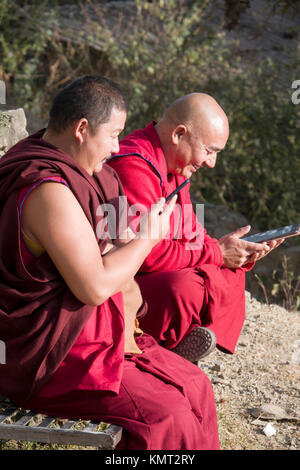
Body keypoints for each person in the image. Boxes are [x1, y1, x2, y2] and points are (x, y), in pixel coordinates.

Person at [0, 77, 220, 450]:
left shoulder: (82, 168)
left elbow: (114, 244)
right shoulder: (47, 190)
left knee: (197, 387)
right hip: (52, 354)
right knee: (168, 417)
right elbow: (95, 287)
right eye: (114, 134)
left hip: (92, 332)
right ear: (82, 130)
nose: (119, 146)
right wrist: (149, 235)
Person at [108, 93, 283, 362]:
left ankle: (182, 337)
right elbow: (144, 254)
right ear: (179, 134)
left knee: (228, 273)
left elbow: (192, 237)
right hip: (120, 282)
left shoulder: (175, 168)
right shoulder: (133, 165)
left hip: (149, 271)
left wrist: (238, 253)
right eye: (209, 151)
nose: (211, 163)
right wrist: (216, 253)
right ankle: (161, 346)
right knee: (185, 286)